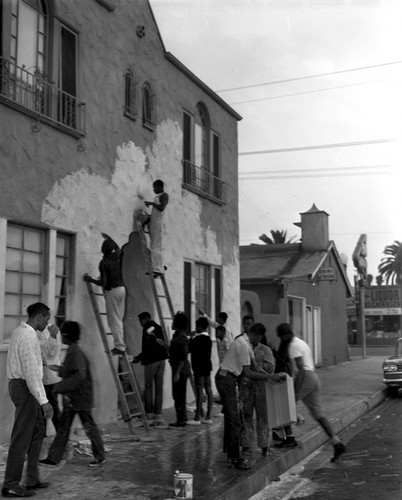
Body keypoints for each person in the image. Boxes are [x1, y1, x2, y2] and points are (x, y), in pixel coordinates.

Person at [215, 323, 286, 470]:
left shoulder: (247, 343)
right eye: (260, 338)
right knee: (235, 420)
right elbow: (248, 372)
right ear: (257, 335)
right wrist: (271, 377)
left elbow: (255, 367)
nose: (260, 341)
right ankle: (235, 458)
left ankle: (230, 453)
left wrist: (271, 376)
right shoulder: (242, 344)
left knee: (232, 418)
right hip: (225, 379)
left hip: (229, 379)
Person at [2, 302, 53, 498]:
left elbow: (44, 352)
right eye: (47, 319)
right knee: (22, 437)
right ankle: (11, 484)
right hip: (25, 388)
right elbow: (31, 372)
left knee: (37, 431)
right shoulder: (27, 336)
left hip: (24, 387)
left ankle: (31, 478)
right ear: (39, 317)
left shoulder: (23, 332)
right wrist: (44, 401)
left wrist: (51, 336)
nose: (48, 323)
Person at [277, 323, 346, 462]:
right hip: (314, 377)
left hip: (306, 377)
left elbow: (301, 368)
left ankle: (289, 438)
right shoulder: (301, 342)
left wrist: (295, 390)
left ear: (286, 335)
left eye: (282, 337)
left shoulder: (293, 346)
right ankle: (336, 442)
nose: (282, 340)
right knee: (318, 415)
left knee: (287, 404)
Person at [39, 321, 105, 468]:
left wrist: (59, 386)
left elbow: (79, 375)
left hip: (80, 399)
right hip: (72, 399)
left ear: (67, 336)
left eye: (63, 334)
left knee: (89, 427)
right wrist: (59, 369)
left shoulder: (75, 351)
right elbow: (72, 371)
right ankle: (53, 458)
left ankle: (100, 455)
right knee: (63, 428)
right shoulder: (73, 350)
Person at [84, 235, 126, 355]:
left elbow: (103, 283)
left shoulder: (104, 263)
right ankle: (120, 344)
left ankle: (120, 346)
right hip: (122, 289)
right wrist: (110, 238)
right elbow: (118, 249)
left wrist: (90, 279)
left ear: (103, 250)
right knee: (118, 319)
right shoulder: (117, 257)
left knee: (113, 321)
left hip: (112, 291)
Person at [239, 323, 275, 457]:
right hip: (246, 388)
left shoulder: (266, 350)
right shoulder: (243, 346)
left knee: (263, 418)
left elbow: (271, 368)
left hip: (262, 388)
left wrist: (253, 365)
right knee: (245, 416)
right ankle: (246, 444)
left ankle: (264, 446)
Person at [132, 312, 169, 425]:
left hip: (151, 361)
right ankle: (158, 414)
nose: (140, 324)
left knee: (148, 386)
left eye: (141, 321)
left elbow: (147, 348)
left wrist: (138, 357)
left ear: (146, 319)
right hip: (161, 360)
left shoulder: (147, 328)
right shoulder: (158, 327)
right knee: (159, 387)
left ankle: (149, 413)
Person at [187, 317, 213, 426]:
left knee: (199, 391)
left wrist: (191, 337)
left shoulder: (197, 339)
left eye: (197, 326)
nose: (195, 328)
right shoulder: (208, 339)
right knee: (208, 390)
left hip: (198, 368)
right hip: (207, 367)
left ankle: (197, 417)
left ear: (200, 327)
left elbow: (189, 348)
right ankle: (208, 416)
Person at [37, 323, 62, 434]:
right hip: (46, 377)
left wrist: (52, 336)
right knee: (46, 409)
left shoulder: (51, 331)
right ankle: (46, 437)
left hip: (49, 378)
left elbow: (47, 354)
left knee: (50, 409)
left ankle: (60, 437)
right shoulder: (45, 331)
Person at [168, 312, 191, 427]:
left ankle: (181, 420)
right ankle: (182, 418)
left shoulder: (181, 336)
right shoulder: (177, 335)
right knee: (179, 394)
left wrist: (177, 373)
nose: (172, 323)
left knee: (178, 394)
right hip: (178, 368)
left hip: (180, 369)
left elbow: (183, 355)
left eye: (173, 321)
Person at [144, 179, 169, 275]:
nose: (153, 189)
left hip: (158, 224)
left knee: (155, 246)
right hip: (154, 223)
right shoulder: (158, 196)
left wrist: (151, 203)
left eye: (154, 187)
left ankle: (157, 268)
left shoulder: (164, 195)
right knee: (154, 245)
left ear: (159, 187)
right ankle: (157, 266)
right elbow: (156, 212)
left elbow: (161, 207)